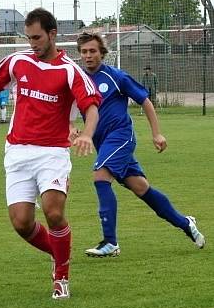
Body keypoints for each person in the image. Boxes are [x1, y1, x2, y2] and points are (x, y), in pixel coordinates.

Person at [0, 8, 101, 299]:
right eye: (29, 37)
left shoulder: (69, 70)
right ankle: (59, 254)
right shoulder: (17, 61)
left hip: (52, 153)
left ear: (52, 34)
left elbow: (91, 107)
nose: (32, 43)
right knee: (21, 223)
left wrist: (86, 134)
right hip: (18, 151)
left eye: (37, 37)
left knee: (54, 212)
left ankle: (61, 277)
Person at [73, 32, 205, 257]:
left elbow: (145, 101)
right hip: (103, 142)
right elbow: (71, 107)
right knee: (141, 188)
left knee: (100, 176)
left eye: (92, 51)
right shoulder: (80, 80)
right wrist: (71, 128)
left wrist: (157, 134)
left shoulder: (116, 76)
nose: (88, 56)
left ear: (102, 53)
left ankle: (110, 242)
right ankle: (185, 223)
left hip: (121, 137)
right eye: (84, 51)